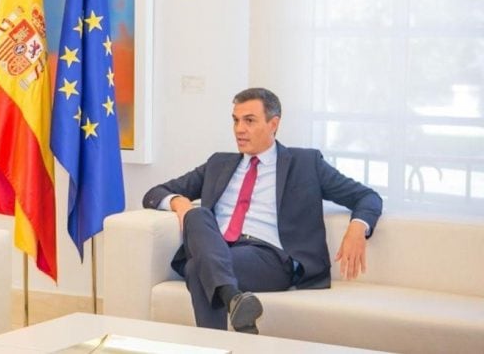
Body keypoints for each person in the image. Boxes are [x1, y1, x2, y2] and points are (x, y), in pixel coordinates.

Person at [143, 88, 382, 334]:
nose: (239, 129)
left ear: (273, 124)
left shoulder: (305, 164)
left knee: (196, 269)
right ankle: (235, 302)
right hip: (219, 249)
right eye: (235, 120)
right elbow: (154, 193)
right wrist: (180, 204)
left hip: (270, 258)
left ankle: (224, 321)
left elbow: (367, 196)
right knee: (196, 216)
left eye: (249, 121)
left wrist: (357, 227)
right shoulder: (218, 164)